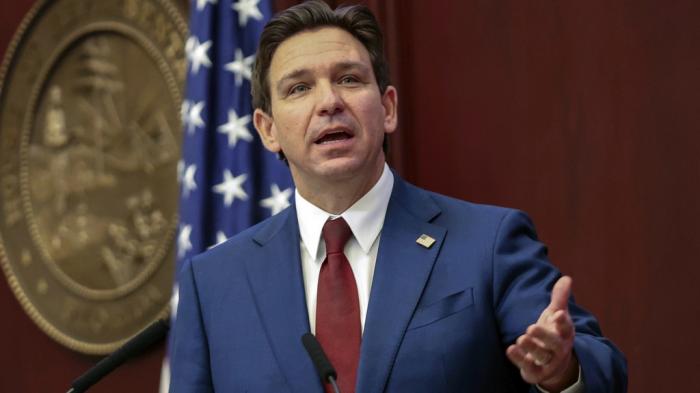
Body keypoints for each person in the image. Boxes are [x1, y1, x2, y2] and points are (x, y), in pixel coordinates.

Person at [169, 1, 627, 392]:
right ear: (267, 129)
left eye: (348, 79)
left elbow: (603, 369)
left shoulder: (487, 244)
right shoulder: (212, 285)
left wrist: (561, 371)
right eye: (299, 88)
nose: (328, 101)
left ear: (387, 108)